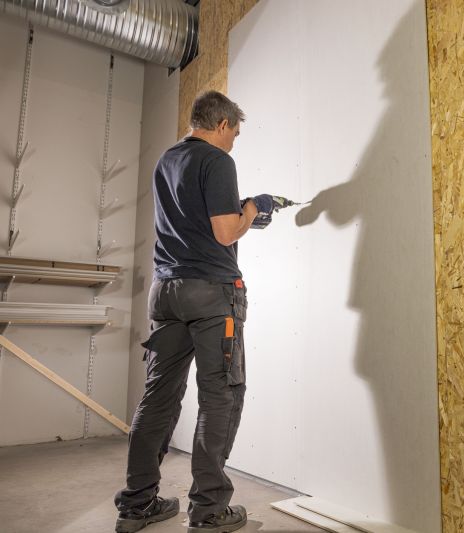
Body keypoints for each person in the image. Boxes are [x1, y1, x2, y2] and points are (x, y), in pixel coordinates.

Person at [114, 90, 286, 533]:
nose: (234, 143)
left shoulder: (167, 160)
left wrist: (242, 213)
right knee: (220, 396)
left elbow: (196, 222)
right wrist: (254, 208)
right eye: (235, 133)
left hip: (166, 292)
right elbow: (226, 231)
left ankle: (137, 503)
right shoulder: (218, 161)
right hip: (211, 293)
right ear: (223, 124)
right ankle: (209, 510)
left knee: (158, 396)